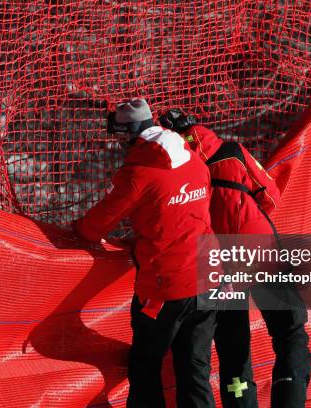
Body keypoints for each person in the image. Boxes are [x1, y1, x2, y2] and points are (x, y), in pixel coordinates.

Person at [159, 109, 311, 408]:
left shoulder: (175, 173)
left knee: (232, 345)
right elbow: (271, 195)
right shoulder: (232, 152)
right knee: (289, 330)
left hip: (213, 262)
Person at [73, 98, 218, 408]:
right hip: (209, 276)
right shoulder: (193, 158)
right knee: (195, 369)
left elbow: (94, 226)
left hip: (167, 286)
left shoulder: (138, 173)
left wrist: (75, 231)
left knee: (145, 365)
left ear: (128, 133)